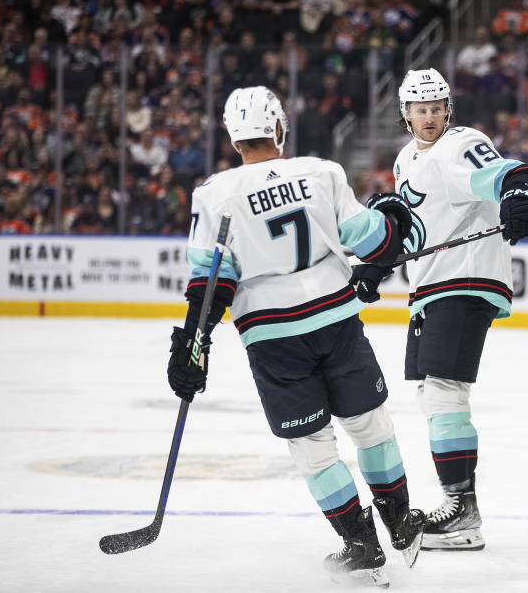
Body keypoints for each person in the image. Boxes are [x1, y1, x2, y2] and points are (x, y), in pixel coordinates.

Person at [166, 85, 425, 588]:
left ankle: (361, 544)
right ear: (279, 127)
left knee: (312, 445)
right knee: (370, 425)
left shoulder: (214, 193)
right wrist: (391, 219)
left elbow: (210, 282)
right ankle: (399, 520)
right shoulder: (322, 172)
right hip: (337, 322)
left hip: (271, 338)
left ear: (232, 136)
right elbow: (373, 240)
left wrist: (192, 346)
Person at [388, 68, 528, 551]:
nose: (429, 117)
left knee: (444, 392)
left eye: (436, 108)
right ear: (405, 113)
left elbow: (508, 172)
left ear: (447, 110)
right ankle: (460, 507)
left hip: (465, 278)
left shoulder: (461, 142)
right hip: (431, 286)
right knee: (432, 396)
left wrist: (518, 191)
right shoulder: (405, 160)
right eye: (420, 109)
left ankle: (461, 510)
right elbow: (412, 229)